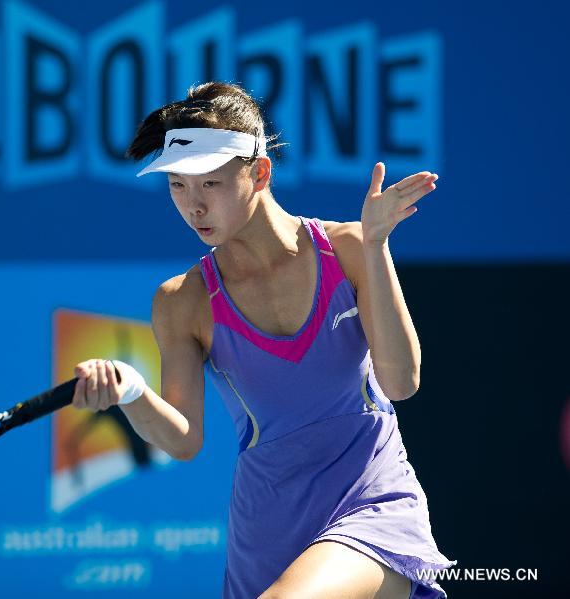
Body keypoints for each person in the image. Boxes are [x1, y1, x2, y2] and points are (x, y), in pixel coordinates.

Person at [71, 82, 456, 598]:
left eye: (209, 184)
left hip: (371, 500)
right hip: (267, 531)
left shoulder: (348, 249)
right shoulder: (181, 301)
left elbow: (402, 381)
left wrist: (376, 246)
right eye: (178, 187)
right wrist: (133, 392)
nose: (193, 206)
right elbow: (184, 439)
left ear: (259, 172)